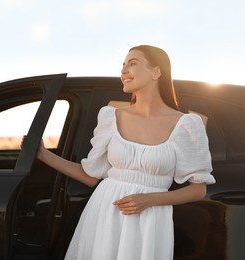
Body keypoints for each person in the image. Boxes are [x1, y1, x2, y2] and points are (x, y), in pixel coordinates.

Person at [26, 45, 216, 259]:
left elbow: (198, 189)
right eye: (123, 65)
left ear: (156, 72)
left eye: (133, 63)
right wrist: (43, 154)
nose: (124, 71)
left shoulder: (186, 125)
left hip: (150, 219)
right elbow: (90, 176)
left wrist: (150, 199)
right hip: (105, 212)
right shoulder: (110, 117)